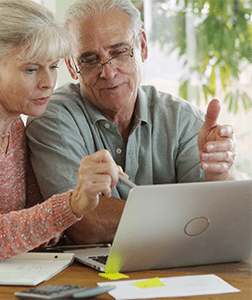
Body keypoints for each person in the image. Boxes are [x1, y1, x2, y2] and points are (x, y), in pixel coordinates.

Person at [26, 0, 242, 245]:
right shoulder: (52, 119)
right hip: (90, 276)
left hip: (178, 267)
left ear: (143, 46)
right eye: (89, 60)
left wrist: (222, 172)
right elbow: (85, 224)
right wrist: (187, 216)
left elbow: (225, 218)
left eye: (119, 52)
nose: (108, 72)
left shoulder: (181, 119)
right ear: (72, 66)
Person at [0, 0, 125, 263]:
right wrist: (74, 203)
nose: (48, 83)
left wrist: (84, 188)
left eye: (53, 67)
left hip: (7, 274)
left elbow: (38, 226)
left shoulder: (14, 123)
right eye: (31, 70)